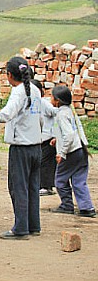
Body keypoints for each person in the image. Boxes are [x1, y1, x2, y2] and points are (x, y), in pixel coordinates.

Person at [0, 56, 42, 240]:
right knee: (32, 187)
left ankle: (20, 228)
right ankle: (33, 224)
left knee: (18, 188)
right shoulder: (34, 89)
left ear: (9, 75)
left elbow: (8, 113)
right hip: (36, 146)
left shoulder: (18, 91)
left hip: (21, 147)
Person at [49, 85, 96, 217]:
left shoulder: (61, 114)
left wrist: (62, 153)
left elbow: (68, 135)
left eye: (52, 97)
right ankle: (87, 208)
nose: (50, 99)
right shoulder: (70, 110)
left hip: (70, 152)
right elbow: (72, 131)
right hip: (80, 148)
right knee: (79, 181)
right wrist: (56, 139)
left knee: (60, 180)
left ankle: (67, 205)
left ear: (57, 100)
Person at [29, 79, 58, 196]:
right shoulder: (31, 102)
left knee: (46, 164)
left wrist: (56, 134)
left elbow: (56, 113)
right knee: (40, 163)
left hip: (48, 138)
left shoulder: (43, 103)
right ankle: (41, 185)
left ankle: (46, 186)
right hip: (39, 138)